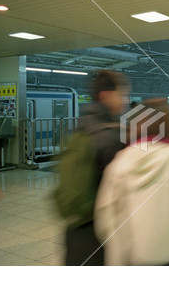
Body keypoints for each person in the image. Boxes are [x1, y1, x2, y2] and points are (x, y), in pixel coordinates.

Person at [94, 98, 169, 266]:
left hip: (130, 259)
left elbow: (105, 214)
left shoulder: (120, 161)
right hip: (168, 258)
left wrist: (118, 249)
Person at [59, 70, 129, 266]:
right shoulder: (111, 136)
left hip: (74, 228)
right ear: (105, 95)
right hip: (100, 234)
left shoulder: (80, 128)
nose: (124, 100)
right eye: (121, 94)